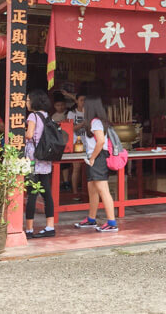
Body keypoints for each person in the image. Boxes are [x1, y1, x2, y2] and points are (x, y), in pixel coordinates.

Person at [73, 95, 118, 233]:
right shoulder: (95, 122)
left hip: (97, 158)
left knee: (103, 190)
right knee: (92, 190)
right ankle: (91, 219)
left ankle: (112, 222)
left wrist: (92, 158)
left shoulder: (96, 122)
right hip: (94, 158)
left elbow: (101, 142)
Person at [24, 89, 56, 239]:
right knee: (47, 193)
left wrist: (20, 134)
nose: (26, 102)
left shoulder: (32, 116)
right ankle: (50, 226)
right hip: (45, 159)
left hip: (33, 160)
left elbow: (30, 134)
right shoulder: (46, 115)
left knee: (31, 194)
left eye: (28, 100)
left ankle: (29, 229)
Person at [65, 93, 86, 196]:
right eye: (81, 100)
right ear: (76, 101)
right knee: (76, 168)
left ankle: (85, 190)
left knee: (87, 168)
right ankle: (75, 192)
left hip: (88, 143)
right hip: (76, 143)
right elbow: (70, 128)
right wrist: (83, 124)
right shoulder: (71, 113)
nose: (83, 102)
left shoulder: (89, 113)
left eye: (85, 100)